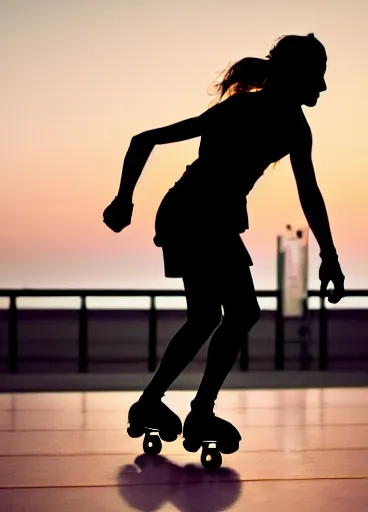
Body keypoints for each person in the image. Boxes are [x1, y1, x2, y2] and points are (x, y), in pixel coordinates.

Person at [102, 33, 346, 451]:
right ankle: (194, 411)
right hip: (193, 215)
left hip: (207, 219)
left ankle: (158, 405)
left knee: (212, 317)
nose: (322, 87)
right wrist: (123, 198)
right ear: (296, 73)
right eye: (317, 76)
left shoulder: (294, 128)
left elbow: (310, 192)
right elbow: (143, 140)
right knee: (237, 312)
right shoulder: (241, 109)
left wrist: (329, 253)